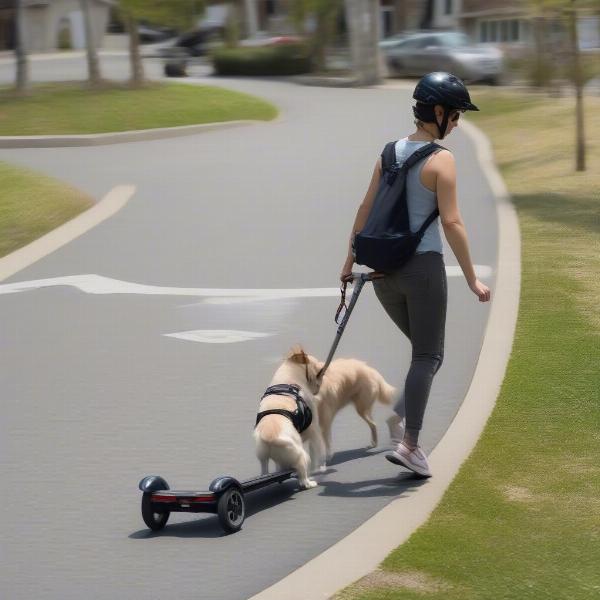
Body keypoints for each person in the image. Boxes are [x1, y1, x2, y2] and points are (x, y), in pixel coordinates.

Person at [340, 72, 491, 478]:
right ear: (438, 113)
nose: (457, 124)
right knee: (428, 355)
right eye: (456, 116)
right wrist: (473, 278)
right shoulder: (442, 160)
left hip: (381, 275)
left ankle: (401, 418)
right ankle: (409, 445)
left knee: (425, 355)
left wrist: (347, 263)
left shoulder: (388, 152)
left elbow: (363, 210)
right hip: (421, 270)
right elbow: (453, 222)